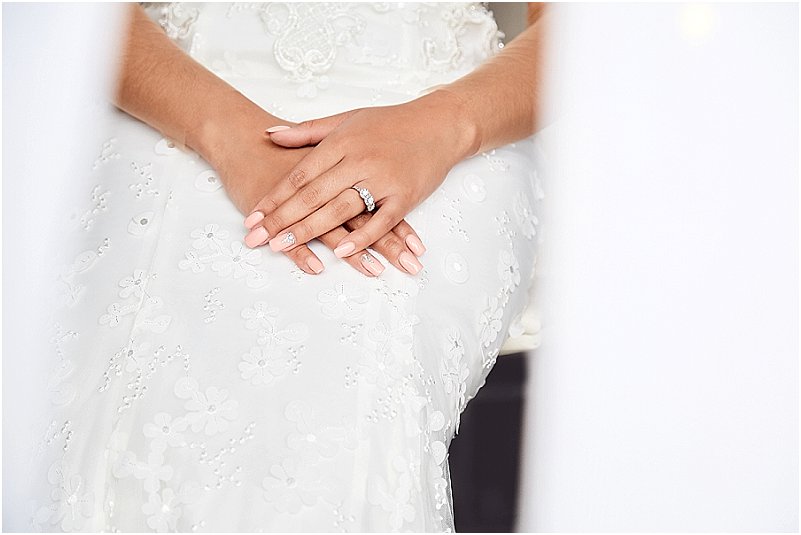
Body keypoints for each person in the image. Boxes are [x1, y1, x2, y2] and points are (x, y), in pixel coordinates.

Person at [29, 2, 546, 531]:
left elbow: (584, 32)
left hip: (442, 120)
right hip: (163, 90)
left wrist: (442, 126)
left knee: (333, 412)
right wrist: (226, 131)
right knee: (95, 402)